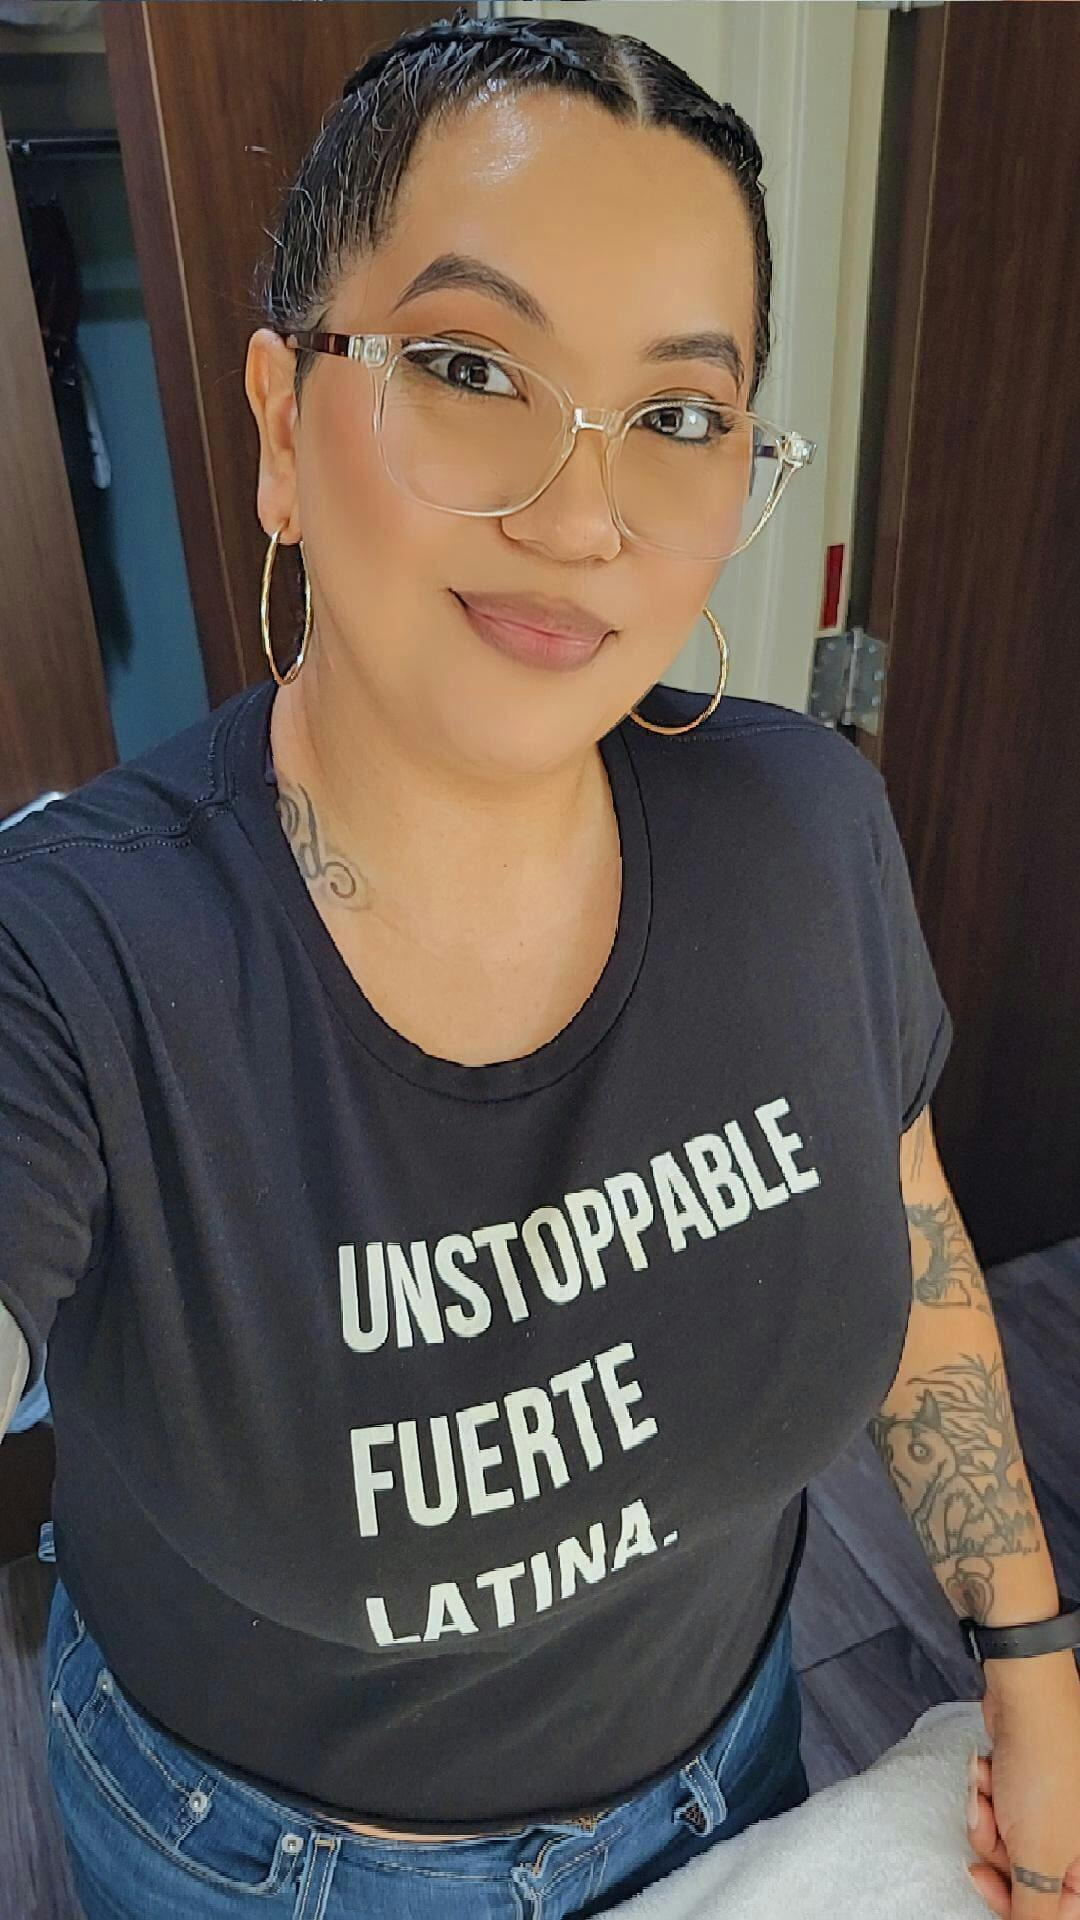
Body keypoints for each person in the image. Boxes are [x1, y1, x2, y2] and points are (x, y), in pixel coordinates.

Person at [0, 10, 953, 1917]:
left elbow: (913, 1238)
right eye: (465, 367)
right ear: (283, 425)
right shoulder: (76, 943)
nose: (581, 516)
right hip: (249, 1865)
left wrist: (1030, 1644)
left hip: (735, 1782)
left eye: (677, 416)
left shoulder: (804, 830)